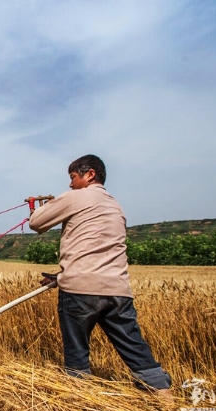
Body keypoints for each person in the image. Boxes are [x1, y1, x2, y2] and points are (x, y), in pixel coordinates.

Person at [29, 154, 171, 394]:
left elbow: (36, 223)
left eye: (73, 177)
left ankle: (79, 393)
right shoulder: (115, 205)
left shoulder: (78, 196)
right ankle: (162, 393)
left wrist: (36, 207)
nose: (70, 184)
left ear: (90, 175)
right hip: (118, 290)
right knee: (133, 345)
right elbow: (96, 249)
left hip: (80, 291)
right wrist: (60, 275)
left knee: (77, 350)